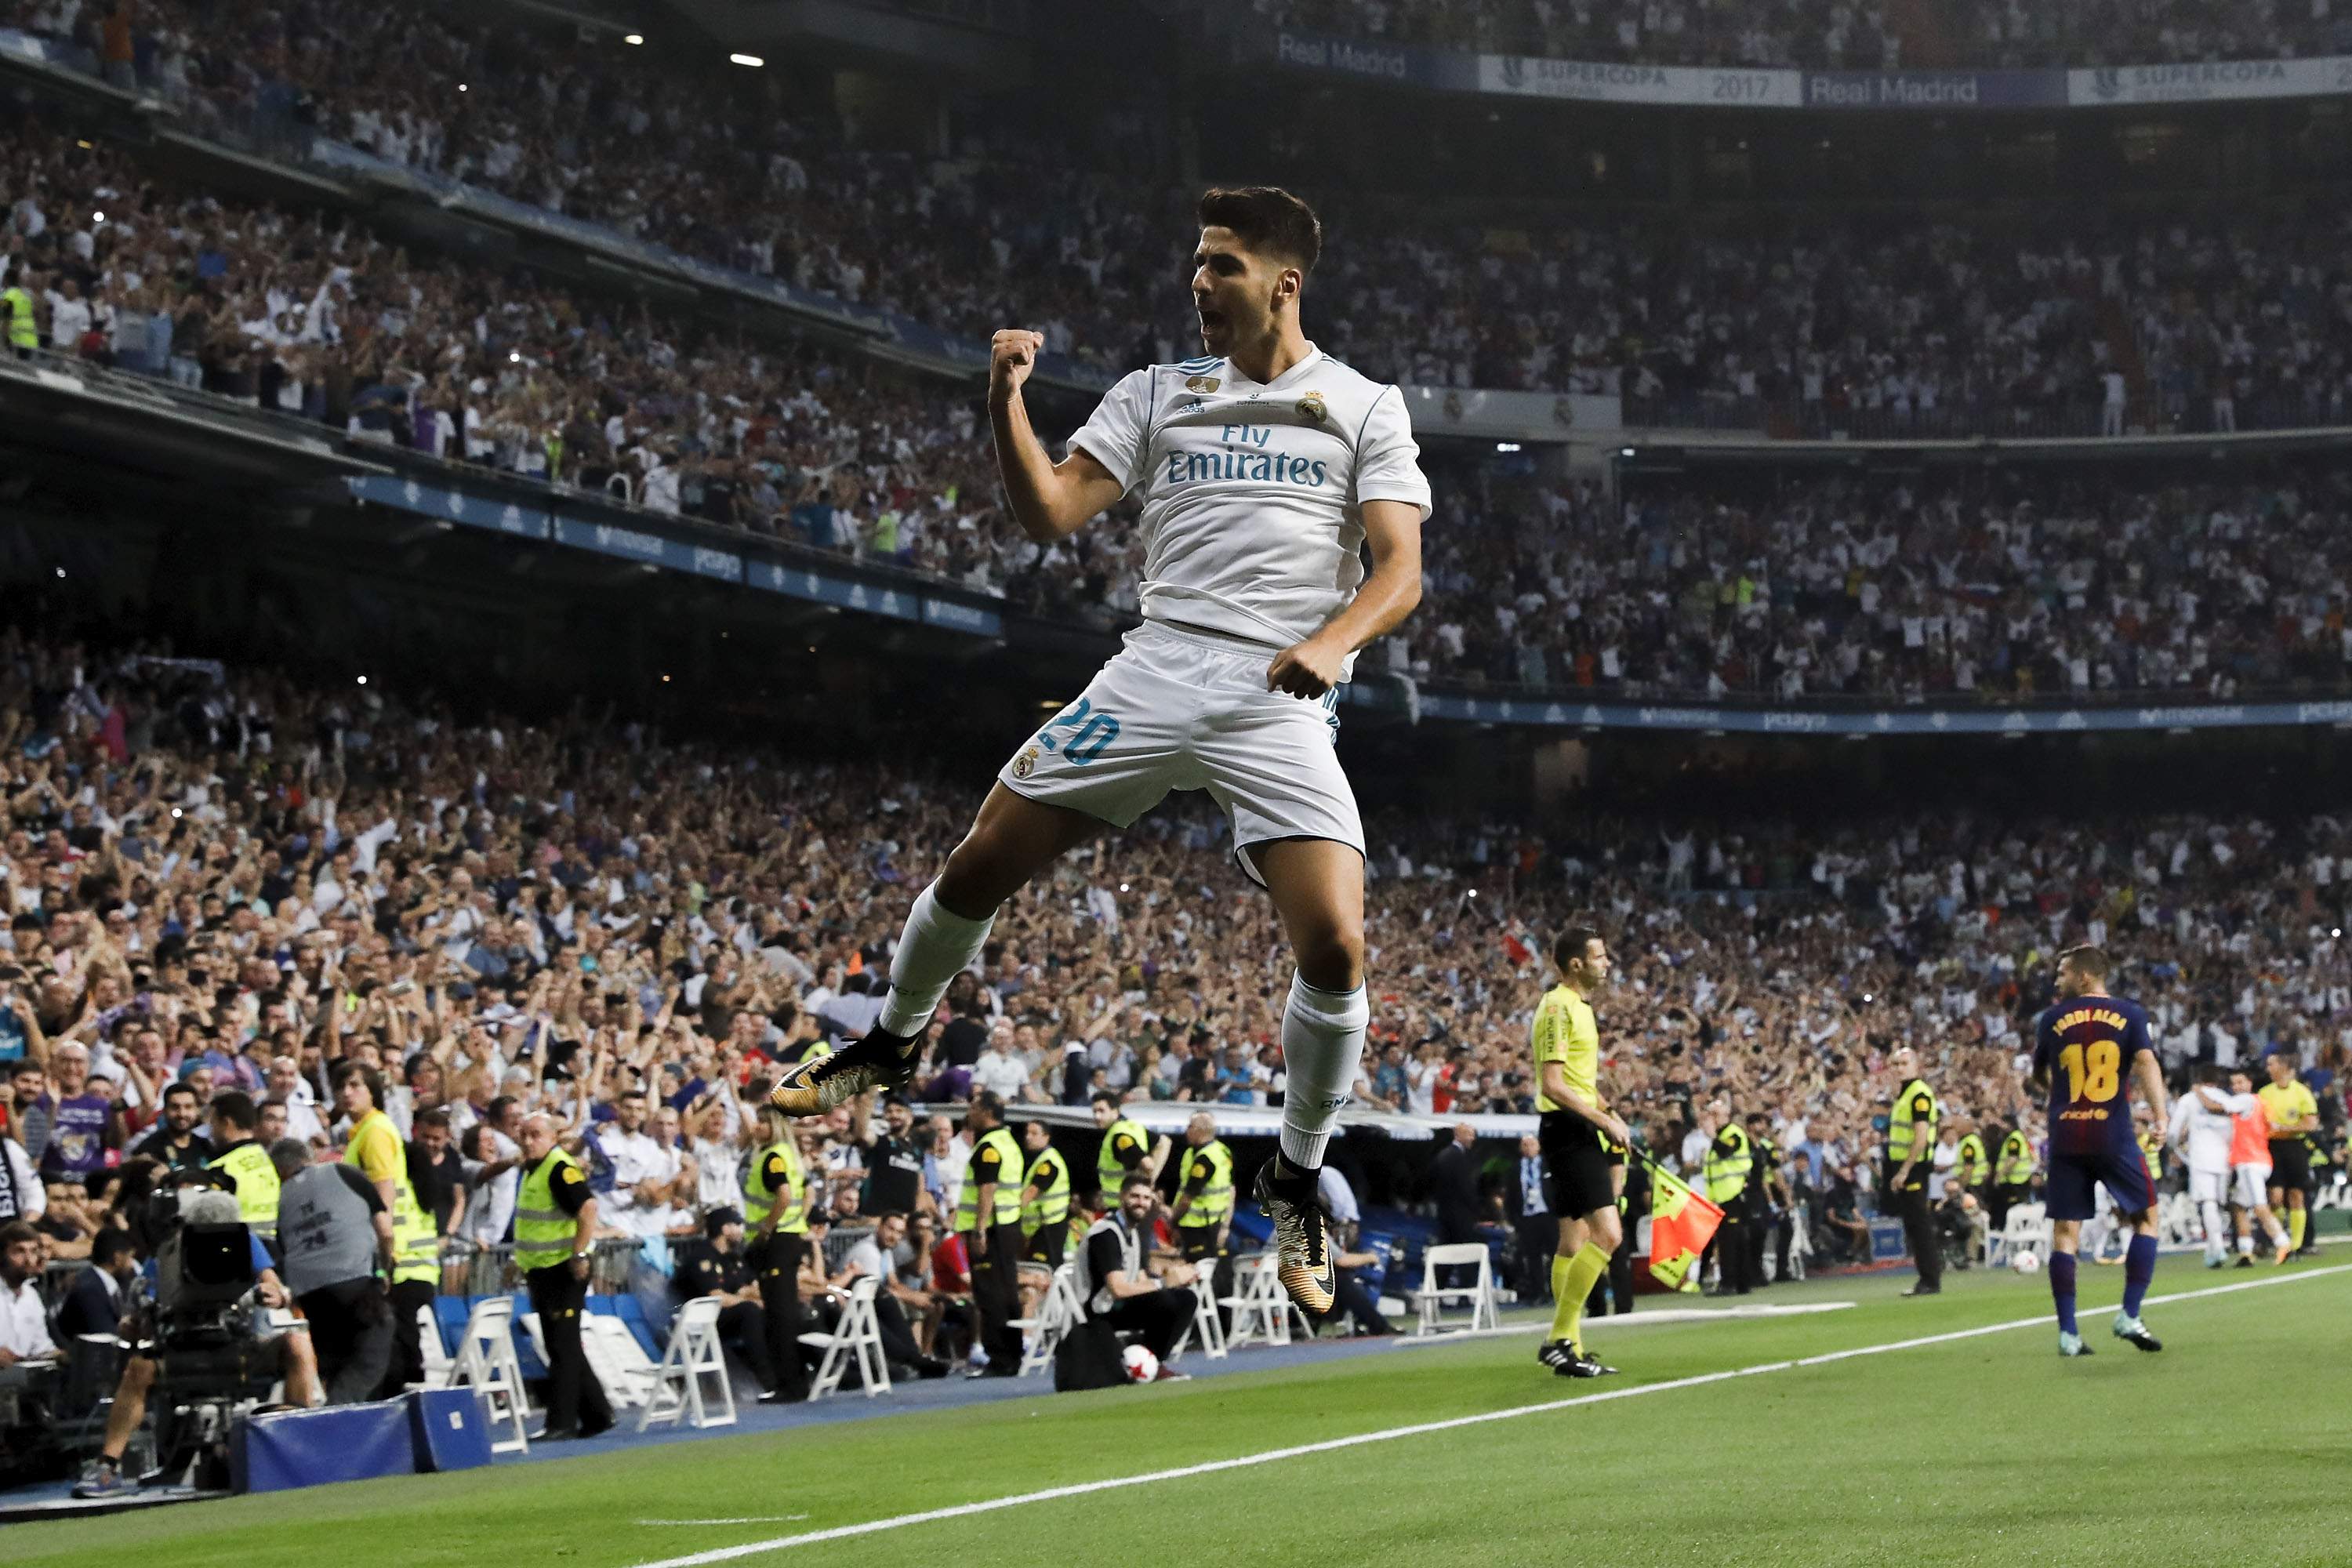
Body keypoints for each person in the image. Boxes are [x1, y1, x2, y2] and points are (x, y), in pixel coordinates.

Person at [768, 185, 1431, 1327]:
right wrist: (1003, 403)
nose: (1198, 281)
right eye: (1196, 263)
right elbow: (1051, 513)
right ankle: (889, 1040)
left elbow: (1400, 569)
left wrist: (1331, 642)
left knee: (1337, 943)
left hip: (1280, 695)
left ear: (1283, 281)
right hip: (1156, 667)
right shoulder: (1156, 394)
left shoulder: (1365, 406)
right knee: (978, 863)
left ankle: (1297, 1176)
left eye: (1221, 265)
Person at [2029, 945, 2166, 1357]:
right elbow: (2146, 1064)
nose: (2057, 980)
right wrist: (2160, 1117)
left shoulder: (2051, 1019)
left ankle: (2069, 1334)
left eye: (2063, 972)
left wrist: (2066, 1098)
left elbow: (2039, 1074)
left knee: (2065, 1233)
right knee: (2148, 1218)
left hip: (2067, 1135)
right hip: (2112, 1133)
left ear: (2084, 976)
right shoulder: (2130, 1014)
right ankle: (2129, 1314)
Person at [1530, 927, 1625, 1378]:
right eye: (1600, 956)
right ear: (1576, 964)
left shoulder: (1582, 1009)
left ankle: (1571, 1346)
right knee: (1608, 1235)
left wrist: (1611, 1113)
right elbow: (1552, 1084)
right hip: (1569, 1130)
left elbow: (1580, 1083)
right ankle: (1559, 1338)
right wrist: (1601, 1120)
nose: (1607, 963)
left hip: (1580, 1125)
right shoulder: (1557, 1007)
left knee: (1574, 1241)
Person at [335, 1065, 439, 1396]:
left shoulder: (376, 1131)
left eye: (355, 1085)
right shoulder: (363, 1132)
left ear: (373, 1091)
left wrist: (384, 1256)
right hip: (401, 1256)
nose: (346, 1092)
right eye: (341, 1086)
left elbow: (384, 1196)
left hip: (397, 1258)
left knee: (389, 1350)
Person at [511, 1112, 612, 1439]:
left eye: (536, 1134)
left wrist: (579, 1253)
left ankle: (561, 1422)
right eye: (524, 1134)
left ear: (553, 1138)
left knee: (562, 1348)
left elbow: (588, 1209)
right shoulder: (534, 1169)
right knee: (562, 1344)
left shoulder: (559, 1169)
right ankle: (597, 1414)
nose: (528, 1141)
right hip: (542, 1269)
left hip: (562, 1269)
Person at [273, 1138, 395, 1403]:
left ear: (280, 1170)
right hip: (355, 1279)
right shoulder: (343, 1172)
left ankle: (345, 1429)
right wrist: (384, 1270)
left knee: (334, 1363)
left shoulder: (282, 1199)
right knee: (371, 1351)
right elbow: (385, 1232)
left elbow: (285, 1246)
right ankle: (337, 1411)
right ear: (310, 1157)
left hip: (311, 1293)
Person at [1071, 1172, 1196, 1378]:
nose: (1141, 1203)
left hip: (1119, 1304)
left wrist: (1176, 1280)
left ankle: (1154, 1361)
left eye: (1147, 1198)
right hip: (1100, 1309)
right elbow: (1118, 1289)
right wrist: (1165, 1283)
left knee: (1186, 1298)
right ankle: (1145, 1362)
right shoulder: (1106, 1233)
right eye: (1135, 1197)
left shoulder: (1133, 1232)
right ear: (1122, 1197)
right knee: (1164, 1300)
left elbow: (1141, 1280)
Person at [741, 1104, 811, 1403]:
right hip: (791, 1237)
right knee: (786, 1312)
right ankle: (795, 1379)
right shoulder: (788, 1155)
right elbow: (807, 1192)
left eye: (762, 1122)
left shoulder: (772, 1158)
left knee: (779, 1315)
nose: (757, 1127)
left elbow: (783, 1195)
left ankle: (789, 1384)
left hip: (777, 1242)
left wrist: (767, 1229)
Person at [953, 1091, 1025, 1377]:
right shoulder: (1008, 1143)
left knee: (990, 1294)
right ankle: (1013, 1354)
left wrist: (980, 1230)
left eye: (973, 1108)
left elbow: (987, 1190)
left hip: (992, 1230)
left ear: (987, 1112)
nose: (969, 1113)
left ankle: (1000, 1359)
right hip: (1009, 1226)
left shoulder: (989, 1147)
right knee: (1007, 1291)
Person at [670, 1207, 778, 1394]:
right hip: (702, 1320)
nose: (741, 1230)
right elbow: (715, 1296)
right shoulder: (702, 1257)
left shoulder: (733, 1258)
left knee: (778, 1309)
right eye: (737, 1225)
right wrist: (752, 1301)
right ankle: (768, 1380)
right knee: (750, 1310)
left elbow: (747, 1288)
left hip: (727, 1315)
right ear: (725, 1228)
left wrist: (768, 1300)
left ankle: (790, 1372)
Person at [2200, 1069, 2292, 1267]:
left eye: (2241, 1082)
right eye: (2234, 1084)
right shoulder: (2261, 1102)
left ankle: (2283, 1243)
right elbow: (2274, 1126)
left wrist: (2201, 1092)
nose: (2237, 1087)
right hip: (2258, 1159)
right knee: (2239, 1205)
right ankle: (2246, 1251)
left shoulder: (2245, 1100)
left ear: (2250, 1083)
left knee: (2259, 1206)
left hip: (2250, 1161)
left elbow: (2224, 1105)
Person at [1882, 1044, 1944, 1298]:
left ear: (1917, 1067)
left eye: (1904, 1064)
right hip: (1903, 1165)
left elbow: (1920, 1138)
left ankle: (1930, 1279)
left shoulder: (1918, 1094)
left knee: (1920, 1224)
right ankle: (1927, 1276)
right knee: (1914, 1224)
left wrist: (1904, 1170)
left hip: (1913, 1167)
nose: (1898, 1069)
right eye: (1895, 1065)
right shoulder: (1904, 1095)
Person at [2169, 1064, 2240, 1268]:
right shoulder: (2226, 1099)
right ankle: (2216, 1247)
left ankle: (2217, 1247)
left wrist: (2175, 1150)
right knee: (2218, 1204)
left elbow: (2174, 1131)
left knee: (2208, 1203)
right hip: (2226, 1159)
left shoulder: (2189, 1099)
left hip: (2201, 1157)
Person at [1167, 1111, 1234, 1311]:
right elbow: (1231, 1190)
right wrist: (1225, 1226)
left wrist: (1173, 1220)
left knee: (1201, 1276)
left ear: (1200, 1131)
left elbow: (1188, 1198)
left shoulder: (1205, 1160)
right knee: (1218, 1272)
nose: (1186, 1131)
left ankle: (1204, 1325)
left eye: (1190, 1127)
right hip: (1214, 1225)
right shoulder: (1220, 1151)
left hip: (1200, 1228)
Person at [2258, 1051, 2321, 1258]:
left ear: (2284, 1067)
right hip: (2273, 1147)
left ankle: (2295, 1245)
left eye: (2272, 1064)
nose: (2268, 1069)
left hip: (2295, 1147)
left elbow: (2311, 1123)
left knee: (2296, 1195)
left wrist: (2282, 1128)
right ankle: (2279, 1240)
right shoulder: (2264, 1093)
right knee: (2275, 1197)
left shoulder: (2301, 1092)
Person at [203, 1091, 278, 1249]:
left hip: (240, 1250)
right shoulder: (265, 1157)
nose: (211, 1132)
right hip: (273, 1246)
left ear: (226, 1123)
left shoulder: (222, 1168)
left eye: (213, 1124)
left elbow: (210, 1222)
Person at [1701, 1099, 1755, 1297]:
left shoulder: (1733, 1133)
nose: (1711, 1120)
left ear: (1725, 1115)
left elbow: (1725, 1152)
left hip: (1733, 1194)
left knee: (1729, 1241)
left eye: (1714, 1115)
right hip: (1725, 1196)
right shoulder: (1723, 1135)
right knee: (1736, 1240)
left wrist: (1712, 1136)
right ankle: (1742, 1283)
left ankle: (1729, 1283)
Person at [58, 1224, 138, 1338]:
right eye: (130, 1257)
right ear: (118, 1258)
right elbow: (103, 1337)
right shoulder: (89, 1290)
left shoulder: (107, 1284)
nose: (132, 1265)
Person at [1091, 1092, 1164, 1206]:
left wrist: (1149, 1182)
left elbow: (1147, 1165)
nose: (1097, 1116)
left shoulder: (1120, 1137)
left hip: (1122, 1206)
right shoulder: (1132, 1126)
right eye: (1095, 1111)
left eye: (1101, 1111)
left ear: (1115, 1112)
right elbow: (1164, 1142)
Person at [1504, 1132, 1553, 1304]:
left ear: (1538, 1146)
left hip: (1547, 1215)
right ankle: (1539, 1293)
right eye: (1525, 1145)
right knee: (1533, 1257)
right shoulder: (1515, 1168)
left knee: (1555, 1254)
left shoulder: (1548, 1165)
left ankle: (1557, 1290)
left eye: (1531, 1144)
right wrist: (1514, 1219)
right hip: (1527, 1217)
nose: (1528, 1148)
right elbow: (1510, 1196)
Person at [1016, 1120, 1072, 1267]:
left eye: (1034, 1134)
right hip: (1038, 1229)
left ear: (1046, 1138)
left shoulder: (1048, 1163)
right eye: (1027, 1133)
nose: (1028, 1137)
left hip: (1048, 1228)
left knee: (1041, 1272)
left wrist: (1008, 1215)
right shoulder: (1040, 1160)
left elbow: (1031, 1193)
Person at [131, 1082, 213, 1172]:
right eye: (175, 1107)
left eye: (188, 1107)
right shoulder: (149, 1149)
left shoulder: (206, 1147)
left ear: (197, 1110)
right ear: (165, 1111)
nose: (182, 1114)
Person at [1991, 1119, 2036, 1231]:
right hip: (2021, 1180)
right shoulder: (2019, 1136)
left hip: (2016, 1182)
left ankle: (2013, 1234)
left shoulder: (2014, 1139)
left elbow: (2012, 1159)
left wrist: (1999, 1176)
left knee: (2014, 1211)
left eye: (2003, 1123)